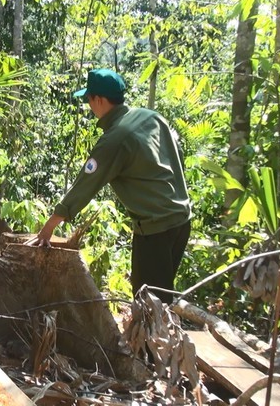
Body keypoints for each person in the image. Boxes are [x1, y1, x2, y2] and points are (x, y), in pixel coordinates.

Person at [27, 68, 191, 304]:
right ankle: (158, 338)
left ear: (100, 100)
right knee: (161, 297)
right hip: (181, 220)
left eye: (89, 100)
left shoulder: (115, 138)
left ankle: (153, 342)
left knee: (150, 305)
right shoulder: (151, 117)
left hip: (155, 230)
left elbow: (85, 185)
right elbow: (177, 158)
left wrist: (48, 227)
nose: (89, 106)